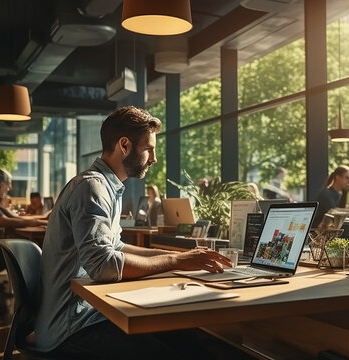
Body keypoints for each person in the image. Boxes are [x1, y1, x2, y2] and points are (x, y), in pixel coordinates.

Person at [35, 106, 231, 357]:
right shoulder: (92, 188)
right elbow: (104, 266)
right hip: (70, 329)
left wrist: (181, 258)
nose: (154, 158)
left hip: (89, 316)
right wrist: (176, 260)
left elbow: (115, 248)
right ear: (124, 146)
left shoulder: (108, 186)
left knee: (185, 337)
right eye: (149, 148)